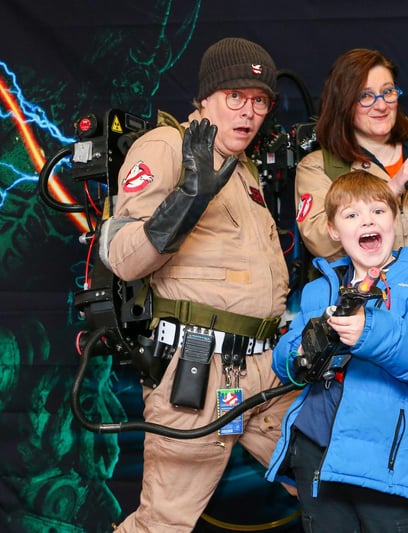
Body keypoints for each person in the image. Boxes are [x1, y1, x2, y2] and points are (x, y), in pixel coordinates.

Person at [100, 37, 296, 532]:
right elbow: (124, 259)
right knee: (163, 522)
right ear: (205, 99)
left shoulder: (243, 165)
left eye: (259, 100)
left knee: (333, 474)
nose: (248, 111)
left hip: (264, 371)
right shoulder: (166, 147)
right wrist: (188, 196)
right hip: (199, 370)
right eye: (235, 95)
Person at [293, 47, 408, 532]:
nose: (379, 103)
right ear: (343, 102)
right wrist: (391, 186)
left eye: (387, 91)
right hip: (358, 357)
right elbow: (317, 239)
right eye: (365, 95)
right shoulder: (321, 165)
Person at [266, 170, 408, 531]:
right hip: (318, 453)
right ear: (332, 230)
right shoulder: (318, 290)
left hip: (388, 459)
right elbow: (285, 361)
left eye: (378, 211)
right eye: (352, 215)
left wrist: (368, 331)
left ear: (394, 219)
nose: (367, 221)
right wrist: (301, 353)